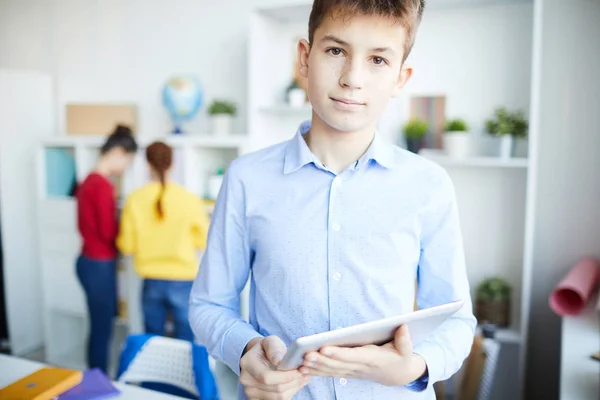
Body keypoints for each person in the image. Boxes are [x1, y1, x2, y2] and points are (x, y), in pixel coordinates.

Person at [190, 0, 477, 399]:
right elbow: (209, 305)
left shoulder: (429, 185)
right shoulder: (246, 179)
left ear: (400, 78)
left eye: (378, 60)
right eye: (336, 51)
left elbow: (457, 319)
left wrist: (413, 367)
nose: (352, 78)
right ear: (304, 59)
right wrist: (245, 350)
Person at [117, 141, 210, 341]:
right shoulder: (189, 199)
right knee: (185, 339)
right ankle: (183, 373)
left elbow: (127, 246)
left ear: (147, 165)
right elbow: (204, 241)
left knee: (153, 339)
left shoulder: (134, 199)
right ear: (172, 165)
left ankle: (157, 373)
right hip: (184, 279)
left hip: (152, 280)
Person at [76, 125, 137, 374]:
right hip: (99, 264)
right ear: (118, 152)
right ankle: (97, 381)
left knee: (98, 326)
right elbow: (108, 232)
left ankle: (95, 376)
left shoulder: (88, 180)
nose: (125, 167)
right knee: (102, 329)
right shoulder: (102, 186)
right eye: (128, 161)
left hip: (87, 260)